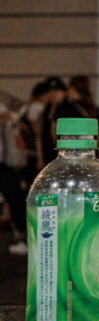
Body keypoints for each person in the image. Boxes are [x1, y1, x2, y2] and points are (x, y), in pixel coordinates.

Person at [54, 76, 99, 162]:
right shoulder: (95, 110)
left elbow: (54, 134)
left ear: (72, 88)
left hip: (66, 158)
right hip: (89, 159)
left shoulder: (63, 108)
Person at [0, 102, 27, 254]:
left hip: (5, 163)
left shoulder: (2, 107)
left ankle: (21, 234)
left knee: (14, 198)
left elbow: (13, 122)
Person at [19, 82, 48, 188]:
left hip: (24, 150)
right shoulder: (37, 107)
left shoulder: (26, 106)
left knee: (26, 182)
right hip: (33, 151)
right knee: (33, 183)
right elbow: (37, 131)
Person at [39, 77, 67, 168]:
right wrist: (40, 158)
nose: (53, 94)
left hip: (62, 153)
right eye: (50, 91)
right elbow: (40, 134)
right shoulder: (46, 109)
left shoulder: (67, 108)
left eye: (56, 91)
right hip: (47, 152)